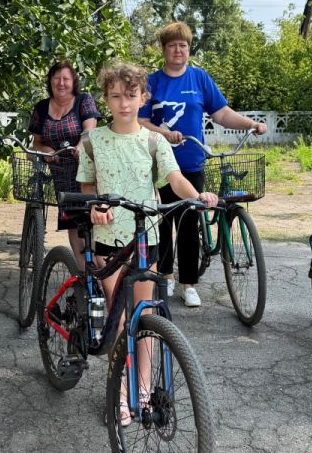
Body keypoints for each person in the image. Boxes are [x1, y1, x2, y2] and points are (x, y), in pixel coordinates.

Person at [77, 61, 218, 424]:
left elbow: (174, 179)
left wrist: (198, 195)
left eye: (131, 95)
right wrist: (96, 207)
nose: (124, 103)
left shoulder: (154, 141)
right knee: (120, 319)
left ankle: (141, 389)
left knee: (147, 316)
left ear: (144, 97)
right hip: (109, 238)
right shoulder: (93, 141)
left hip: (146, 237)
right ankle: (119, 393)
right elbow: (88, 184)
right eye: (116, 96)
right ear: (106, 99)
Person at [138, 21, 267, 308]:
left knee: (190, 218)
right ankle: (167, 276)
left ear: (189, 48)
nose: (178, 50)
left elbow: (221, 113)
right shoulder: (153, 82)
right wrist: (163, 134)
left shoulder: (199, 78)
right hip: (162, 163)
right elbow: (141, 120)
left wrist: (251, 124)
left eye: (182, 45)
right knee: (166, 220)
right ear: (163, 49)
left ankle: (189, 284)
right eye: (172, 45)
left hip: (193, 161)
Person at [28, 60, 99, 266]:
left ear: (73, 81)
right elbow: (37, 143)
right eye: (57, 78)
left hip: (87, 172)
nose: (61, 83)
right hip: (61, 175)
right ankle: (82, 278)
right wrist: (47, 150)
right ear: (50, 81)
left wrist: (80, 144)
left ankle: (98, 277)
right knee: (73, 225)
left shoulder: (83, 101)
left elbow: (90, 130)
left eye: (66, 79)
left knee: (93, 224)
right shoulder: (41, 108)